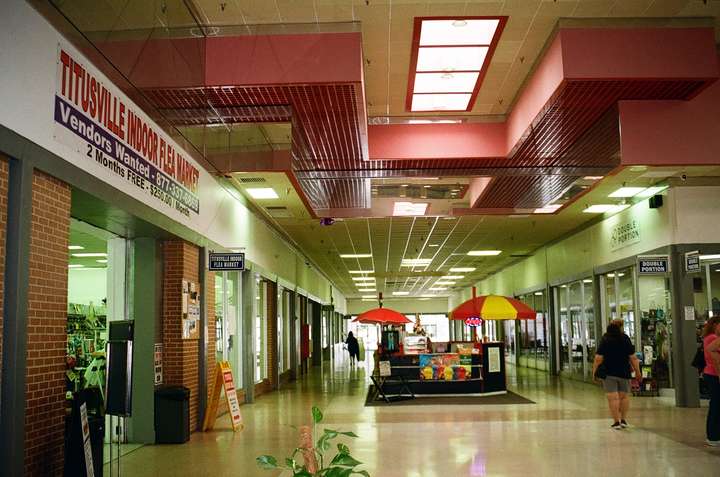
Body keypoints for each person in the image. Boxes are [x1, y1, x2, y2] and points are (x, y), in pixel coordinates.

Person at [592, 320, 641, 430]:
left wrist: (594, 372)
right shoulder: (625, 339)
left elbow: (598, 359)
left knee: (613, 399)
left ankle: (616, 422)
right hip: (624, 372)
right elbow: (633, 358)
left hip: (609, 373)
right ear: (621, 327)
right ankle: (623, 420)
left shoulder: (605, 339)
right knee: (624, 397)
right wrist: (638, 372)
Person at [702, 316, 720, 446]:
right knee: (716, 405)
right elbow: (713, 353)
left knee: (715, 404)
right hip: (714, 373)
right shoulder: (713, 339)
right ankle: (713, 435)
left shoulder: (707, 338)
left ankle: (713, 435)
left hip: (709, 372)